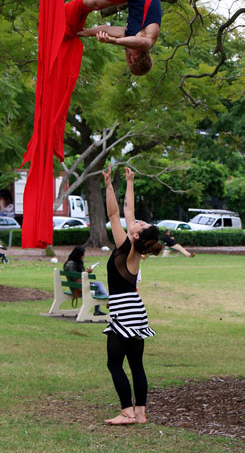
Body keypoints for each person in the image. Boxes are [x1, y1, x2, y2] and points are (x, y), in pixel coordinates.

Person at [20, 0, 162, 76]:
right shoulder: (148, 39)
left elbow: (107, 29)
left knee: (93, 3)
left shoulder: (128, 34)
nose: (127, 57)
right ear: (134, 58)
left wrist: (83, 32)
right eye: (130, 60)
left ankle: (70, 8)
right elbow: (140, 43)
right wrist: (114, 41)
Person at [102, 165, 162, 425]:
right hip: (136, 309)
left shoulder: (124, 246)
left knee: (114, 363)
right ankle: (141, 413)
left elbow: (115, 213)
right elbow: (127, 212)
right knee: (136, 364)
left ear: (136, 234)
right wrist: (129, 182)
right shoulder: (134, 250)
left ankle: (127, 411)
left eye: (139, 224)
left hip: (123, 310)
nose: (136, 220)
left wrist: (108, 186)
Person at [63, 245, 108, 315]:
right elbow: (77, 279)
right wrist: (87, 273)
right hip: (77, 288)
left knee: (99, 284)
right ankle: (107, 303)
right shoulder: (72, 264)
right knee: (98, 289)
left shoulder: (72, 263)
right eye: (83, 254)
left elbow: (79, 278)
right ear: (79, 255)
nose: (84, 256)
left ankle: (105, 304)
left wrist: (86, 273)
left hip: (77, 286)